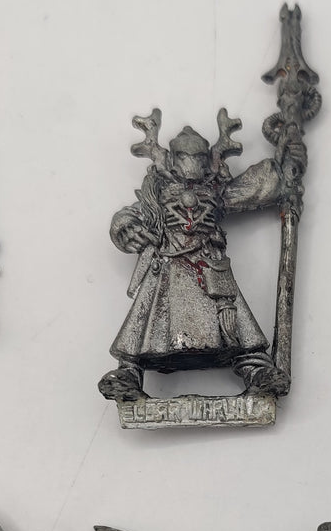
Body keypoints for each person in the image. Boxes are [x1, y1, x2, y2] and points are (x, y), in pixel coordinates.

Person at [98, 113, 300, 401]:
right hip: (166, 266)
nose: (190, 164)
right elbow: (130, 216)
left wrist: (286, 166)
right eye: (183, 156)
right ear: (172, 159)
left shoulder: (215, 192)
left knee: (238, 329)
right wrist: (125, 227)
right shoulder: (157, 192)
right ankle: (128, 374)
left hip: (210, 266)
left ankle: (257, 372)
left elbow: (256, 187)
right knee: (143, 326)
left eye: (197, 157)